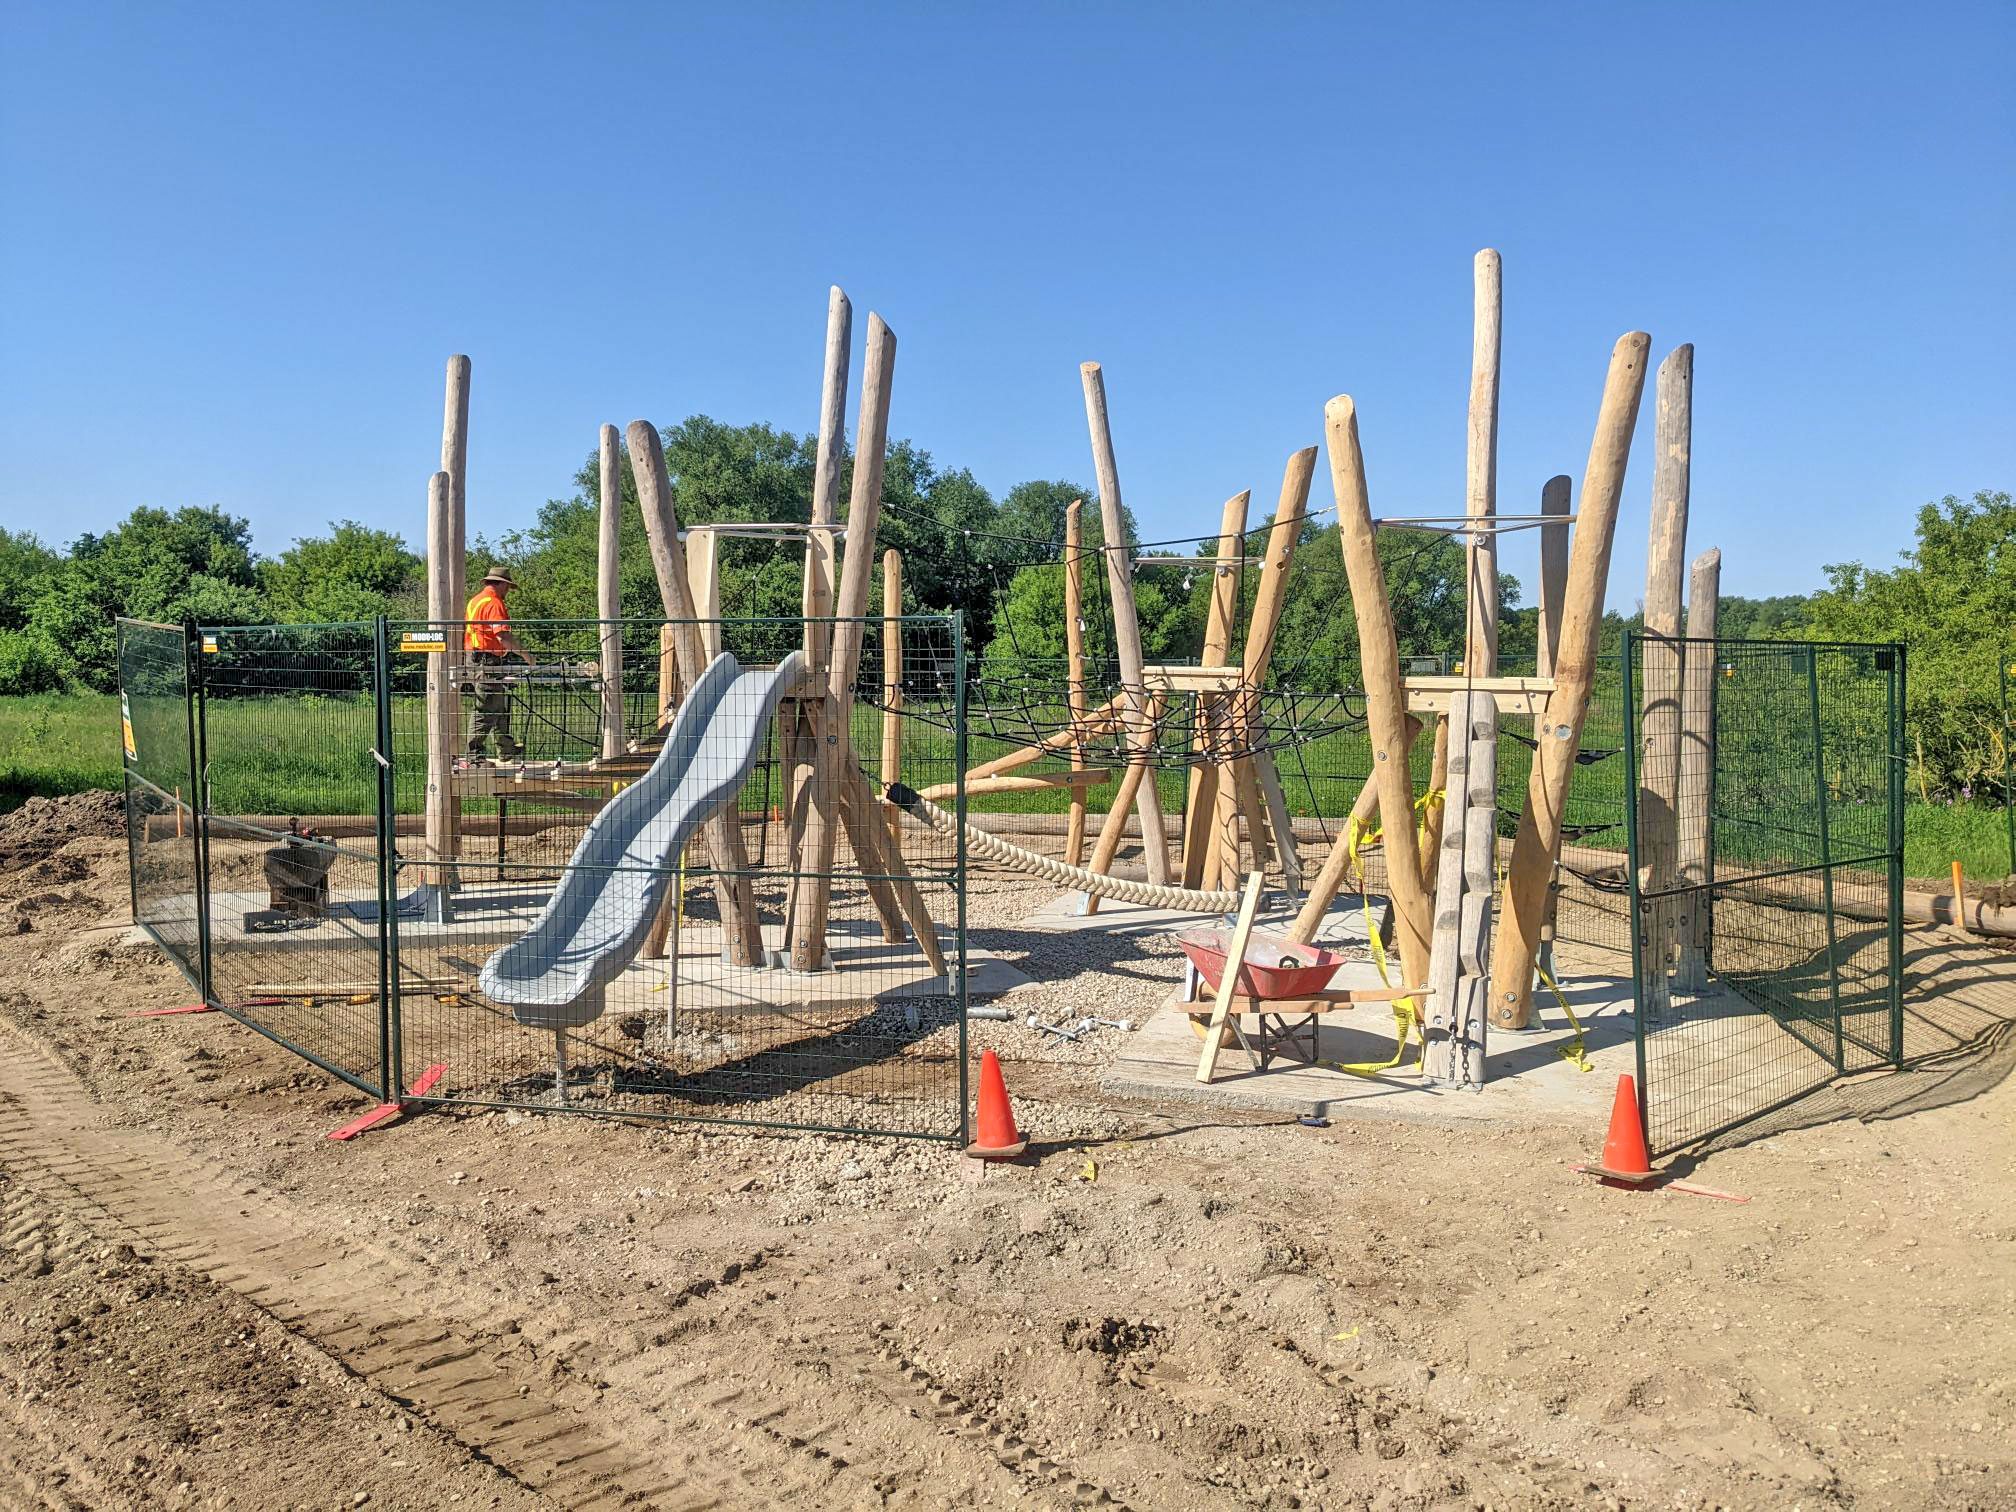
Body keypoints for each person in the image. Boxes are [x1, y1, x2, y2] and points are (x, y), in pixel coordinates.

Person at [464, 566, 531, 761]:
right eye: (507, 587)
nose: (508, 591)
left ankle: (506, 748)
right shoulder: (494, 603)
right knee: (485, 707)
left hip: (475, 657)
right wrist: (526, 656)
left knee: (498, 705)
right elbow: (502, 636)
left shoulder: (475, 601)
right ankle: (473, 755)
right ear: (501, 584)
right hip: (488, 661)